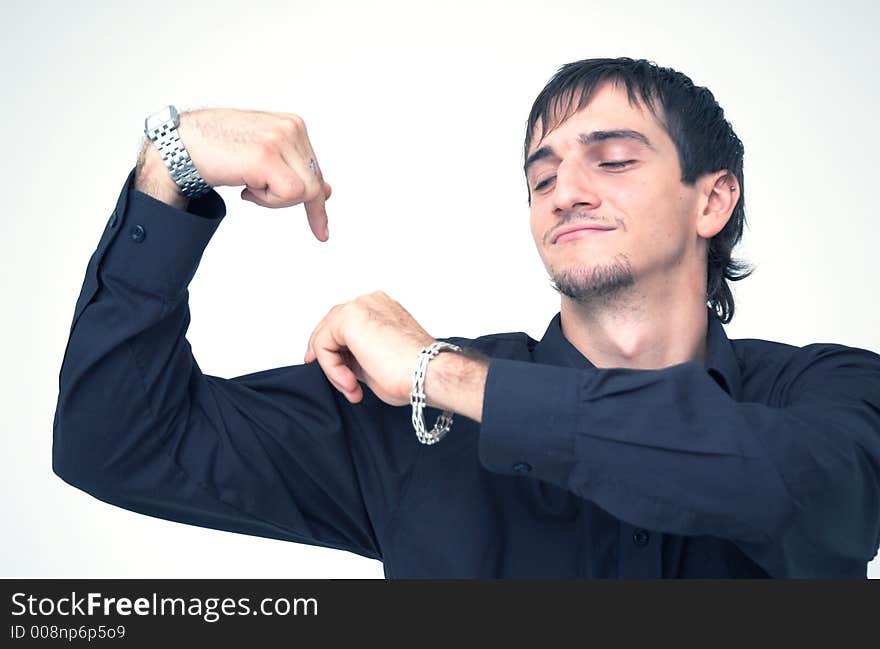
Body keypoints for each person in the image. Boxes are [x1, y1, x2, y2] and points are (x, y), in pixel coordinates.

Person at [52, 57, 880, 578]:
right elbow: (117, 441)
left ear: (713, 199)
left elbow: (796, 489)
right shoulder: (407, 431)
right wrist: (173, 165)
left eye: (615, 159)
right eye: (542, 175)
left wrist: (435, 373)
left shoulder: (831, 393)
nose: (567, 190)